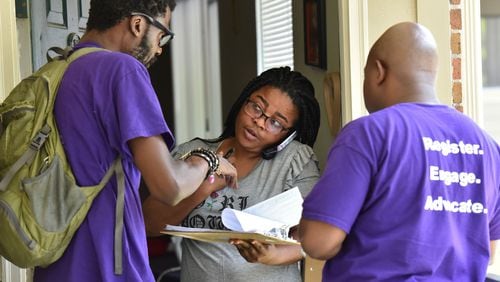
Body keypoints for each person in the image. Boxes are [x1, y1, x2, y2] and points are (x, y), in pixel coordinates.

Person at [33, 0, 237, 281]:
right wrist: (207, 160)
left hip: (55, 262)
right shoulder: (123, 71)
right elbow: (170, 186)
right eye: (161, 35)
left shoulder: (59, 68)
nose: (160, 48)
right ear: (138, 24)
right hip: (108, 266)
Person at [299, 21, 500, 281]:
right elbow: (489, 247)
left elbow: (319, 242)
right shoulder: (487, 145)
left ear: (378, 72)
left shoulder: (368, 133)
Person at [143, 66, 321, 282]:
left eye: (276, 122)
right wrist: (204, 187)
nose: (259, 122)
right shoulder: (193, 156)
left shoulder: (295, 161)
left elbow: (314, 235)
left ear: (288, 136)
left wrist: (272, 255)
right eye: (256, 107)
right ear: (244, 101)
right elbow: (150, 225)